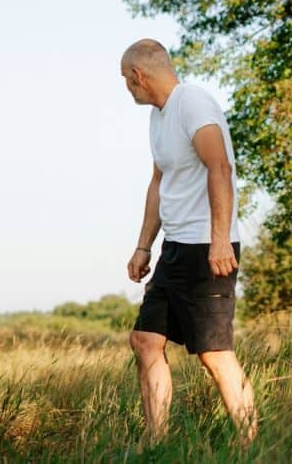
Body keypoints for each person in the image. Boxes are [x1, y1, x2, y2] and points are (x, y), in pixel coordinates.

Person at [121, 39, 257, 446]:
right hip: (175, 248)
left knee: (213, 353)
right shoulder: (158, 117)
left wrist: (219, 241)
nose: (127, 88)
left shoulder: (192, 102)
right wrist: (144, 245)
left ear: (138, 75)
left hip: (207, 248)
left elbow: (219, 166)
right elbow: (159, 182)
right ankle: (155, 442)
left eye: (126, 81)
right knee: (145, 340)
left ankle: (252, 444)